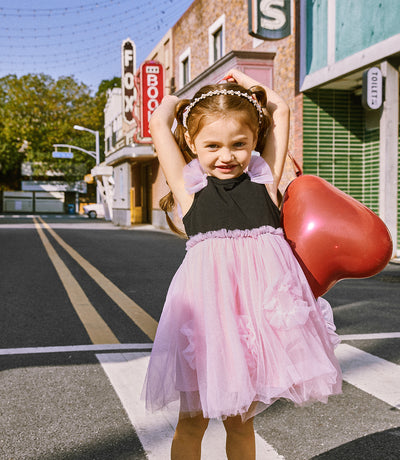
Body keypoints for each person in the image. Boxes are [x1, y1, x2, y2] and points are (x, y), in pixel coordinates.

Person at [142, 69, 342, 460]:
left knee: (240, 421)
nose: (226, 155)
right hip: (207, 319)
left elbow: (280, 108)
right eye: (212, 145)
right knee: (192, 421)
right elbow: (158, 123)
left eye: (239, 143)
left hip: (254, 320)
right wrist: (179, 100)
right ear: (191, 142)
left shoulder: (264, 181)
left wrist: (249, 84)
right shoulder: (189, 189)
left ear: (254, 140)